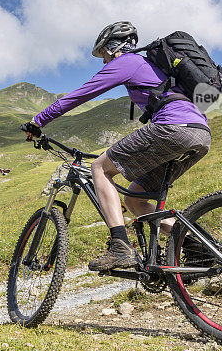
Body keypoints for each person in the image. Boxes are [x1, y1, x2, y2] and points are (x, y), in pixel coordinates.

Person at [21, 21, 211, 271]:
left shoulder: (127, 62)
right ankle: (197, 248)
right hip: (199, 134)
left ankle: (120, 246)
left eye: (103, 55)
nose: (103, 62)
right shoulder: (150, 65)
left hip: (173, 128)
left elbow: (81, 94)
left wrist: (38, 121)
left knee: (100, 168)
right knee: (134, 200)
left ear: (113, 48)